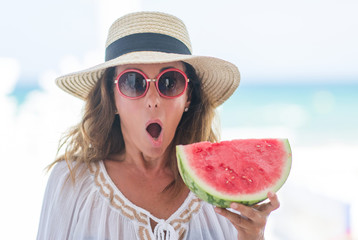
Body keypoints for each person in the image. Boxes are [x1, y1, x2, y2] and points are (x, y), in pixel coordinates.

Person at [37, 11, 280, 240]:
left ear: (188, 97)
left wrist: (253, 237)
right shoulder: (70, 183)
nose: (153, 101)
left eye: (169, 82)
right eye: (133, 82)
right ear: (112, 99)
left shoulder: (223, 188)